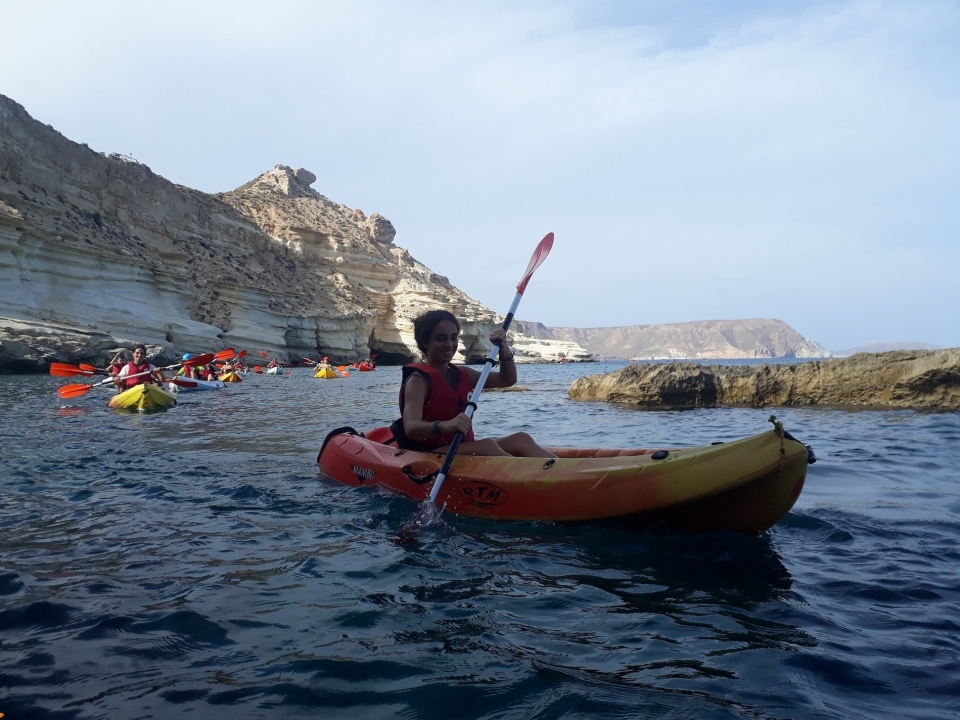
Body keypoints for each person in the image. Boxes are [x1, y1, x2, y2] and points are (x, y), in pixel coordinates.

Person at [395, 309, 555, 458]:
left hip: (460, 447)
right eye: (441, 338)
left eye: (453, 337)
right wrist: (446, 425)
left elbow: (507, 379)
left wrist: (504, 349)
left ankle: (563, 470)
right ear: (425, 342)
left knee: (521, 439)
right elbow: (411, 427)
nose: (449, 344)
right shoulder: (418, 380)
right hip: (429, 454)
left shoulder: (464, 374)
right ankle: (532, 475)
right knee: (487, 446)